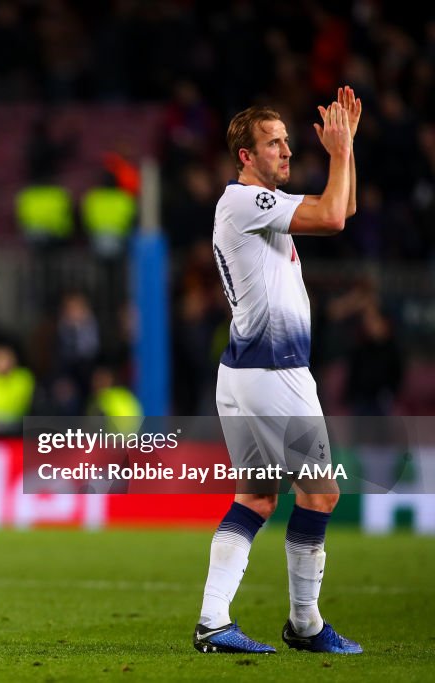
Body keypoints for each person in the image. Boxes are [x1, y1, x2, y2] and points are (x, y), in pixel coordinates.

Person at [193, 87, 363, 655]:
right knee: (320, 496)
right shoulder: (245, 202)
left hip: (244, 372)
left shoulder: (259, 209)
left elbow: (345, 206)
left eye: (288, 141)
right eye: (273, 143)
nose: (287, 150)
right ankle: (306, 624)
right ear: (245, 155)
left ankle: (213, 621)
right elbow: (336, 217)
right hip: (275, 372)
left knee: (258, 497)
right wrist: (339, 152)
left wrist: (348, 148)